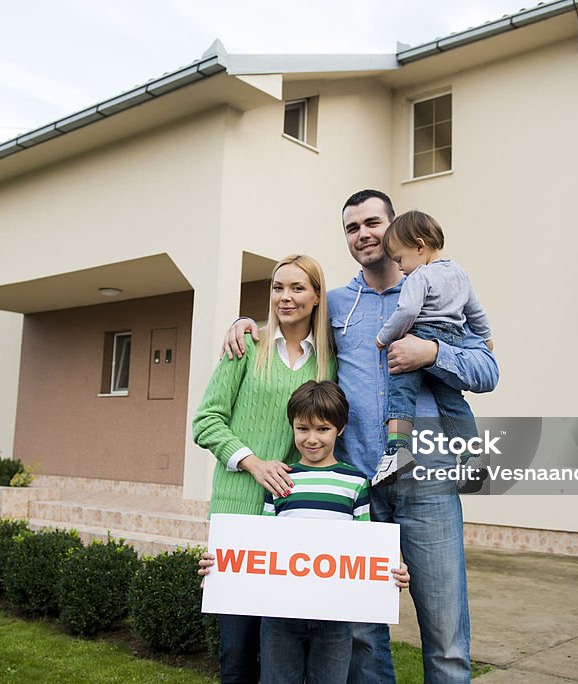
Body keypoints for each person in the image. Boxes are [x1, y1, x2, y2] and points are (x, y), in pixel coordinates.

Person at [223, 190, 499, 683]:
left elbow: (487, 370)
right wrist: (246, 325)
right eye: (352, 227)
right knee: (361, 636)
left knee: (445, 636)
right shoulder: (336, 304)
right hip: (359, 487)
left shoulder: (439, 290)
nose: (363, 234)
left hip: (426, 482)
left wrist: (432, 353)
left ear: (396, 231)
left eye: (373, 223)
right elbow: (288, 324)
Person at [194, 254, 336, 684]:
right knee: (236, 655)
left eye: (296, 289)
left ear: (315, 297)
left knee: (286, 654)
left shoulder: (329, 362)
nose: (285, 298)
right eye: (277, 288)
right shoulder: (246, 347)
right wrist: (252, 462)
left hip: (296, 517)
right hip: (238, 513)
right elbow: (206, 421)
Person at [258, 380, 408, 684]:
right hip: (281, 614)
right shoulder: (279, 479)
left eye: (322, 429)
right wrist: (222, 567)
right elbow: (260, 544)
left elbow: (365, 545)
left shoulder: (355, 482)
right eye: (303, 429)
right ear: (292, 427)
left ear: (339, 429)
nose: (312, 439)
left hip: (336, 618)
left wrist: (392, 571)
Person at [372, 209, 493, 488]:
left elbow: (407, 312)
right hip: (451, 341)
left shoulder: (419, 276)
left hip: (419, 335)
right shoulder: (460, 273)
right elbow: (476, 312)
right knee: (453, 403)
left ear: (419, 245)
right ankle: (472, 456)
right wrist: (486, 337)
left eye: (400, 259)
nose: (400, 267)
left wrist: (383, 337)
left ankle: (397, 452)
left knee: (401, 393)